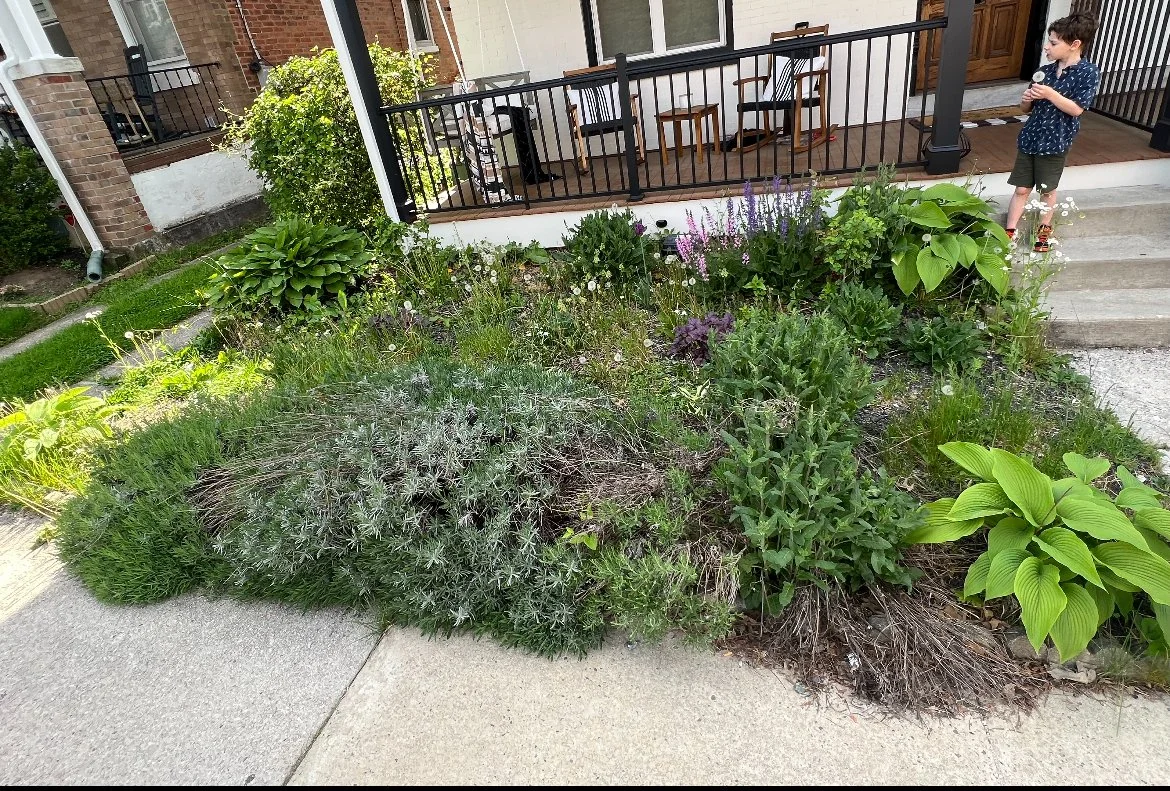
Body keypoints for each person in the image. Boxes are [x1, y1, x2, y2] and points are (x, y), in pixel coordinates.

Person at [1004, 13, 1100, 253]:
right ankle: (1009, 231)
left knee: (1047, 190)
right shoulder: (1044, 71)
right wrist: (1026, 101)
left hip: (1055, 141)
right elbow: (1026, 109)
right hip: (1031, 138)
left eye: (1054, 43)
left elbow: (1077, 109)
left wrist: (1050, 94)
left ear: (1074, 44)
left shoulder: (1087, 73)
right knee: (1022, 188)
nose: (1047, 46)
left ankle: (1044, 231)